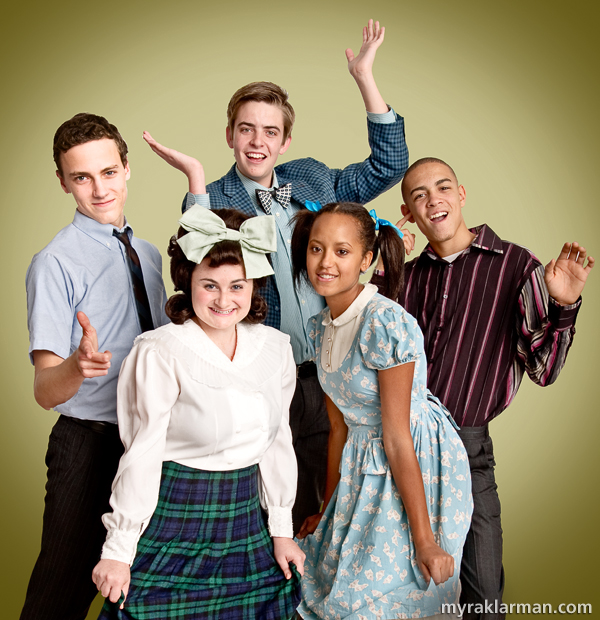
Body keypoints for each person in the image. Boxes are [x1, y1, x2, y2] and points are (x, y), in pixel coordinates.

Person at [143, 19, 409, 533]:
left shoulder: (311, 177)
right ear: (230, 135)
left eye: (270, 131)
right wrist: (196, 180)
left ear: (286, 141)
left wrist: (365, 78)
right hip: (264, 378)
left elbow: (389, 163)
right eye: (246, 129)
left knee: (333, 506)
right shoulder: (216, 199)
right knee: (271, 506)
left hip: (332, 372)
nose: (257, 141)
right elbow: (195, 252)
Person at [381, 157, 595, 619]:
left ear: (461, 195)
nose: (432, 199)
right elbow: (371, 349)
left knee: (483, 598)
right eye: (419, 195)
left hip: (467, 446)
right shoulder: (407, 277)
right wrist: (387, 267)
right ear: (409, 211)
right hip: (402, 446)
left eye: (442, 188)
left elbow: (543, 369)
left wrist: (563, 303)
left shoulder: (516, 265)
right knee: (397, 589)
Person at [92, 206, 305, 619]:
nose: (224, 300)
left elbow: (279, 443)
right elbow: (142, 453)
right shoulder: (159, 350)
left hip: (246, 519)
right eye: (210, 285)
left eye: (237, 286)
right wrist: (118, 551)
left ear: (254, 286)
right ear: (188, 283)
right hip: (175, 514)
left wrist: (282, 530)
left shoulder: (276, 347)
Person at [290, 202, 473, 619]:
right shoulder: (321, 328)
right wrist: (328, 506)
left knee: (388, 595)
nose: (325, 262)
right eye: (316, 249)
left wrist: (424, 539)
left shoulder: (385, 323)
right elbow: (338, 427)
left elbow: (397, 434)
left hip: (415, 462)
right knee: (325, 576)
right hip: (363, 462)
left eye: (342, 251)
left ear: (366, 260)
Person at [23, 113, 168, 620]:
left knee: (141, 591)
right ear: (63, 181)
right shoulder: (55, 262)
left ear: (127, 169)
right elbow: (45, 388)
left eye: (108, 172)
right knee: (60, 592)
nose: (98, 188)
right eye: (81, 177)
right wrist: (78, 365)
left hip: (151, 443)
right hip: (90, 442)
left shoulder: (148, 255)